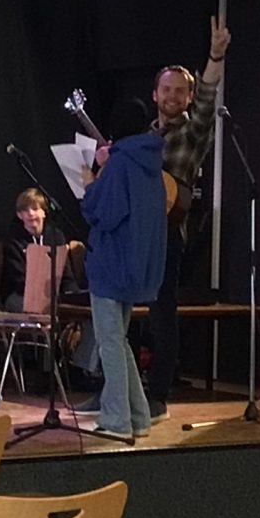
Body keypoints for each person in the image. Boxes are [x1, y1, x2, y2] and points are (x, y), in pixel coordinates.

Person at [147, 15, 232, 419]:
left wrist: (215, 56)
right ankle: (120, 391)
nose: (173, 96)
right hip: (137, 235)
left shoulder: (192, 131)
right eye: (167, 89)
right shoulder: (144, 137)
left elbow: (208, 97)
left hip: (168, 234)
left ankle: (158, 395)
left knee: (162, 315)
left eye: (180, 91)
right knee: (120, 314)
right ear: (155, 94)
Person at [83, 99, 167, 440]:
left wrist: (90, 183)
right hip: (136, 263)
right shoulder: (150, 161)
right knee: (120, 341)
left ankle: (117, 419)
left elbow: (104, 212)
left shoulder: (120, 163)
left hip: (110, 262)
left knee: (110, 342)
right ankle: (138, 415)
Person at [0, 187, 96, 381]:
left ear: (44, 212)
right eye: (25, 210)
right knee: (47, 313)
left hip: (53, 296)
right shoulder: (14, 240)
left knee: (94, 314)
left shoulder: (56, 236)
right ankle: (46, 373)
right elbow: (17, 279)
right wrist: (44, 296)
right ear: (19, 215)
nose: (31, 214)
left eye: (35, 208)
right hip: (20, 296)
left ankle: (81, 367)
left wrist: (73, 298)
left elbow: (66, 275)